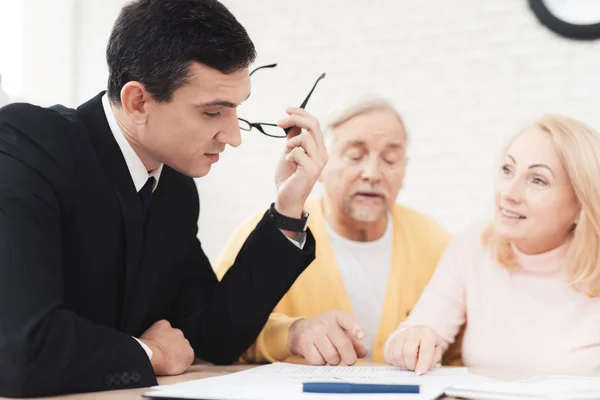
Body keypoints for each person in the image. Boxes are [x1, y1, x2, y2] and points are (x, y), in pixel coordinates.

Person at [0, 0, 328, 397]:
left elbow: (212, 335)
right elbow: (20, 353)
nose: (234, 136)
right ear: (138, 102)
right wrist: (149, 352)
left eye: (235, 111)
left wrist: (287, 208)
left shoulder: (174, 187)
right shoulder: (27, 147)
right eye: (212, 113)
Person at [215, 98, 453, 366]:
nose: (372, 173)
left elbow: (461, 351)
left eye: (390, 159)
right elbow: (212, 332)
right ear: (321, 166)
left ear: (404, 170)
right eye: (355, 156)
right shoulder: (269, 234)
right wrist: (291, 334)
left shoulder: (436, 244)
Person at [385, 114, 600, 375]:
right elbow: (410, 336)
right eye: (507, 170)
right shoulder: (473, 246)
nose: (508, 192)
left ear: (580, 206)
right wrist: (412, 340)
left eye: (538, 180)